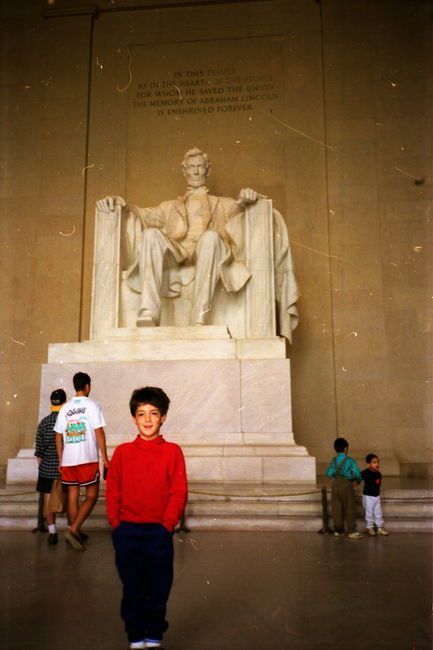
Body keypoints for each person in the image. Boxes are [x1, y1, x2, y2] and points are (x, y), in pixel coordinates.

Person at [96, 147, 299, 339]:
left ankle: (199, 317)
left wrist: (248, 198)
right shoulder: (168, 207)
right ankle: (149, 311)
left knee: (210, 237)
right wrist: (120, 203)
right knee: (150, 236)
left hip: (209, 252)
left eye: (200, 166)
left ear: (207, 169)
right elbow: (141, 215)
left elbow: (241, 214)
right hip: (177, 253)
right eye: (191, 167)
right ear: (184, 170)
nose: (196, 171)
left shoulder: (225, 204)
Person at [106, 386, 188, 650]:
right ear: (134, 418)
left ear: (163, 416)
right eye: (142, 414)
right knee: (132, 587)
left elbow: (179, 490)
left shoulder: (172, 451)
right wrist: (116, 525)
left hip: (158, 532)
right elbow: (113, 491)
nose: (148, 419)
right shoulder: (122, 452)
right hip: (127, 531)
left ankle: (154, 635)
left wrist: (166, 525)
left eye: (154, 413)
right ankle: (134, 636)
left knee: (158, 586)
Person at [55, 372, 109, 551]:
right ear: (87, 386)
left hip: (69, 459)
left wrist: (61, 459)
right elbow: (99, 432)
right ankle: (74, 528)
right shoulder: (93, 405)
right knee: (92, 495)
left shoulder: (65, 408)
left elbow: (58, 435)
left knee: (72, 495)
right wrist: (105, 457)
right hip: (87, 457)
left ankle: (75, 531)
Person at [34, 388, 67, 545]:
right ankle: (72, 529)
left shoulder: (44, 423)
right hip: (65, 468)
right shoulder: (67, 421)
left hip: (47, 467)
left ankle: (52, 532)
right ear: (64, 402)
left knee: (47, 500)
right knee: (68, 499)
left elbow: (39, 452)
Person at [326, 437, 363, 539]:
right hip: (347, 484)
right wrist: (357, 480)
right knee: (349, 507)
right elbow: (358, 473)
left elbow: (329, 473)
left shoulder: (333, 460)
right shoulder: (350, 460)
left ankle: (338, 530)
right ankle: (351, 531)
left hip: (336, 484)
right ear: (346, 448)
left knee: (336, 508)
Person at [361, 454, 390, 536]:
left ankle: (379, 527)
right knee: (369, 512)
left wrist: (379, 495)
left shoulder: (378, 474)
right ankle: (370, 528)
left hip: (376, 496)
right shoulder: (365, 472)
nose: (377, 464)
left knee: (378, 512)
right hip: (368, 496)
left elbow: (378, 485)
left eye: (377, 462)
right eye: (374, 462)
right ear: (368, 464)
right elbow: (357, 479)